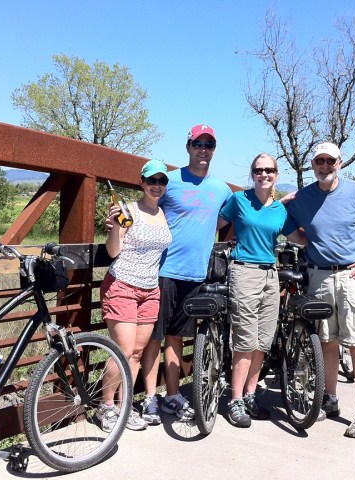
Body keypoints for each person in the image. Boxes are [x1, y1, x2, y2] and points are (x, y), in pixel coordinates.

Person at [282, 142, 355, 438]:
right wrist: (281, 204)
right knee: (327, 341)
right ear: (312, 165)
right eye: (319, 161)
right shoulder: (302, 197)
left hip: (351, 276)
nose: (324, 166)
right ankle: (329, 399)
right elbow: (286, 226)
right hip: (318, 277)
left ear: (339, 163)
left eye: (329, 161)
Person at [139, 125, 233, 425]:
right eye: (198, 143)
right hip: (164, 270)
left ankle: (172, 396)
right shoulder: (171, 181)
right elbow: (147, 207)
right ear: (188, 146)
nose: (203, 149)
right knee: (155, 338)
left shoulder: (221, 189)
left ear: (214, 149)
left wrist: (279, 204)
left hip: (196, 275)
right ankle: (149, 399)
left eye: (209, 144)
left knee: (176, 338)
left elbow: (228, 218)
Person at [97, 159, 173, 432]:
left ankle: (124, 406)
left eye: (162, 181)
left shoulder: (164, 213)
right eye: (151, 180)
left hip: (150, 290)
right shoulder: (128, 210)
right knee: (122, 350)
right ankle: (106, 407)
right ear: (141, 182)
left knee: (137, 353)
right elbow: (113, 251)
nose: (157, 186)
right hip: (123, 286)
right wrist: (116, 225)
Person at [217, 153, 287, 428]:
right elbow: (215, 223)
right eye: (258, 170)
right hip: (244, 270)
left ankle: (250, 395)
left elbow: (298, 236)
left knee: (263, 340)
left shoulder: (281, 209)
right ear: (252, 174)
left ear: (276, 175)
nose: (263, 174)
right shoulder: (239, 200)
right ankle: (234, 400)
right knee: (244, 339)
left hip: (271, 274)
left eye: (269, 170)